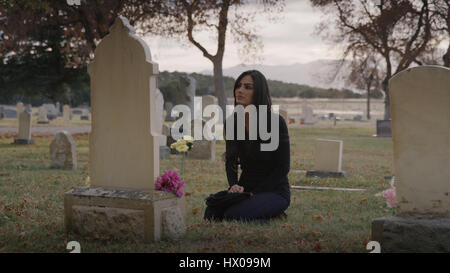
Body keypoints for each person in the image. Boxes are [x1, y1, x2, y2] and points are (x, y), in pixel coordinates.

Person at [204, 70, 290, 223]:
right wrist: (234, 185)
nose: (240, 90)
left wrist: (254, 193)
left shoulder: (276, 123)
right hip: (245, 188)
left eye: (247, 87)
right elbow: (231, 161)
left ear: (258, 92)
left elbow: (282, 168)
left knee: (234, 215)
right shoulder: (232, 123)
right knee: (211, 212)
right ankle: (258, 210)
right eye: (239, 86)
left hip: (274, 190)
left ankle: (273, 214)